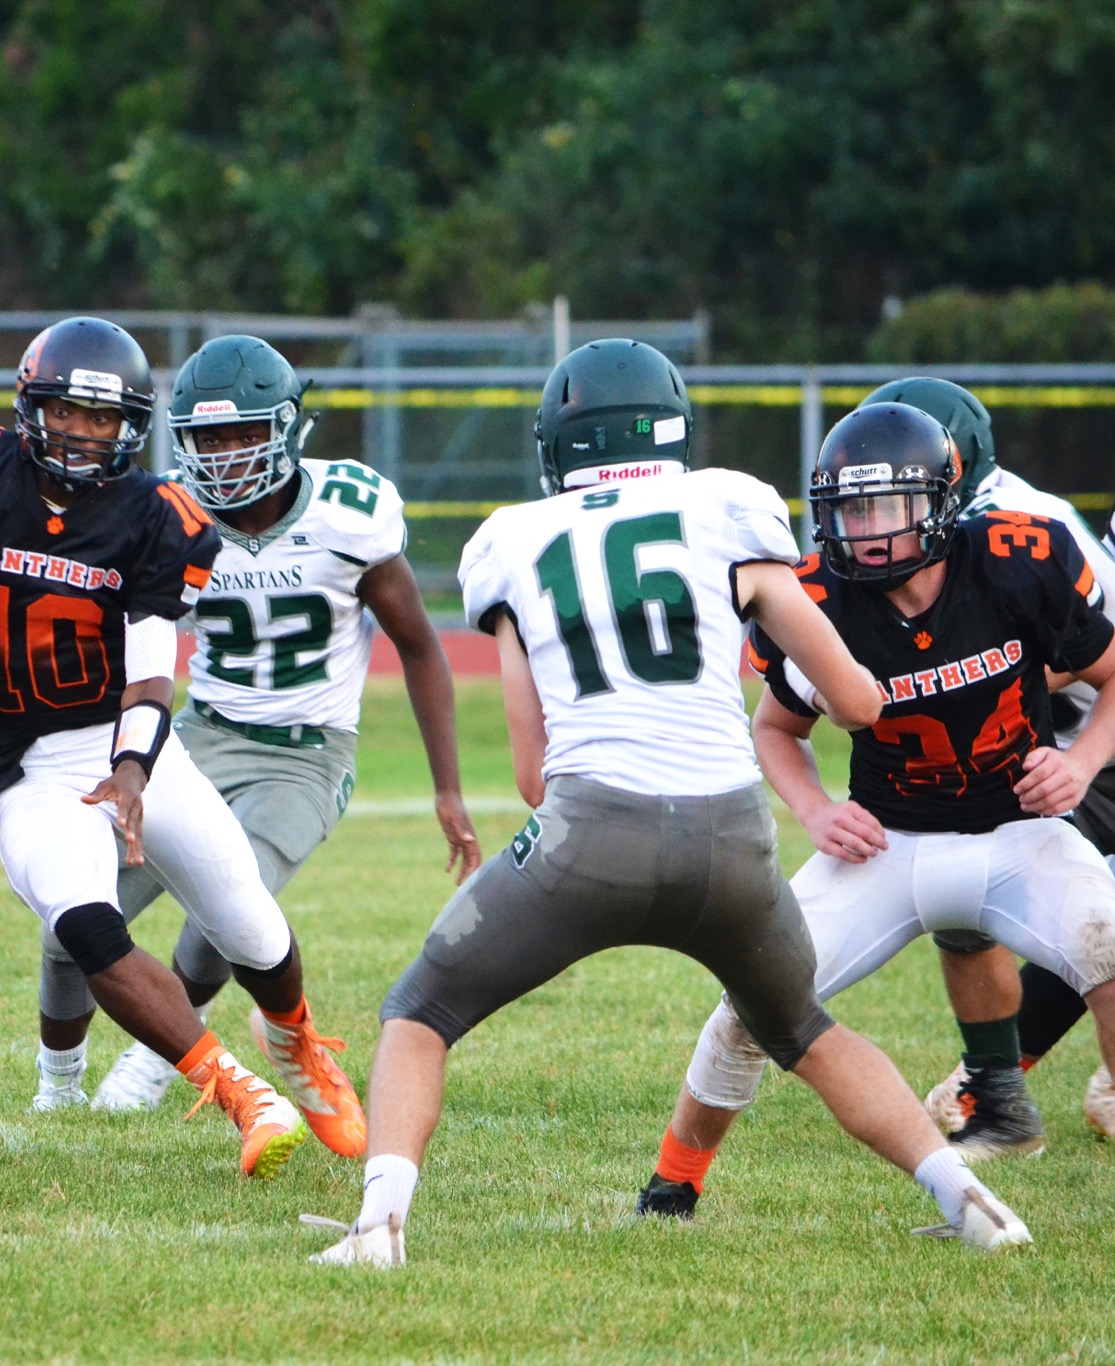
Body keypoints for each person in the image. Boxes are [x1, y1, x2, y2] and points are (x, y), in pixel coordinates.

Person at [305, 342, 1031, 1268]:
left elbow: (533, 772)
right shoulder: (729, 506)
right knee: (803, 1030)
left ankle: (378, 1229)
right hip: (734, 841)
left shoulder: (509, 539)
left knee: (419, 1011)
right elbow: (854, 701)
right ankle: (973, 1201)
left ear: (560, 442)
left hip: (588, 836)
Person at [0, 316, 360, 1177]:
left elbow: (153, 679)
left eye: (105, 420)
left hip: (125, 744)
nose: (83, 434)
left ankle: (297, 1046)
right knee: (83, 920)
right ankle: (240, 1095)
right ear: (27, 405)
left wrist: (128, 773)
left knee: (248, 925)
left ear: (131, 429)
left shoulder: (157, 519)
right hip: (26, 763)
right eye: (68, 413)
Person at [643, 400, 1115, 1228]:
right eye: (849, 509)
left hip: (1018, 834)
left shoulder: (1018, 558)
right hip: (886, 846)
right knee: (753, 998)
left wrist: (1079, 763)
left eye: (885, 506)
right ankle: (673, 1183)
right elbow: (777, 729)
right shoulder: (815, 596)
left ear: (941, 501)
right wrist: (817, 810)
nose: (864, 530)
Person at [12, 334, 480, 1119]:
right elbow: (107, 648)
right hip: (194, 737)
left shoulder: (348, 512)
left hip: (304, 755)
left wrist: (448, 790)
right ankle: (56, 1086)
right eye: (207, 438)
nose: (225, 455)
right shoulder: (167, 518)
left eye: (243, 434)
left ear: (288, 429)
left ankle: (153, 1066)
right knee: (74, 922)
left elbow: (421, 646)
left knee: (229, 915)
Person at [865, 382, 1115, 1157]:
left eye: (898, 486)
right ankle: (994, 1088)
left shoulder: (1016, 527)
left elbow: (1067, 661)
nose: (879, 513)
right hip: (1043, 745)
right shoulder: (947, 524)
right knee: (975, 909)